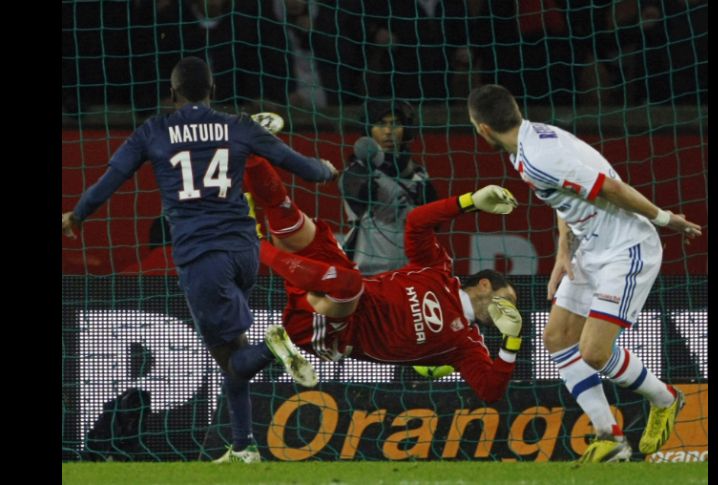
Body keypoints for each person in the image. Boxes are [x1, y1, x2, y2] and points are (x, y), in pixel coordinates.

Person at [61, 57, 339, 463]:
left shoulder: (154, 130)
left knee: (234, 357)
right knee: (231, 351)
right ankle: (244, 448)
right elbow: (303, 168)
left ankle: (274, 344)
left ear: (172, 93)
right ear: (213, 91)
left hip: (200, 254)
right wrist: (326, 170)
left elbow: (111, 179)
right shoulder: (239, 125)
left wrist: (77, 215)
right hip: (246, 250)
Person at [466, 84, 703, 462]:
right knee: (557, 337)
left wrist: (664, 218)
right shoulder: (526, 146)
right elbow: (566, 198)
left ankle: (667, 398)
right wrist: (564, 252)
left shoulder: (540, 155)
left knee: (594, 352)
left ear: (482, 129)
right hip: (590, 248)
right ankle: (609, 437)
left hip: (626, 248)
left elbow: (610, 188)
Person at [245, 155, 524, 402]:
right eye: (507, 300)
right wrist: (470, 201)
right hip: (334, 286)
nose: (510, 310)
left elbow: (490, 391)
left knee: (348, 283)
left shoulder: (466, 346)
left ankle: (252, 244)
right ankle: (243, 149)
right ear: (484, 284)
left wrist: (511, 340)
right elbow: (417, 221)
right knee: (286, 216)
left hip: (334, 330)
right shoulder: (437, 268)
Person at [339, 100, 438, 274]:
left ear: (405, 130)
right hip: (368, 272)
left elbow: (435, 223)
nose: (388, 131)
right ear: (368, 129)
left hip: (410, 273)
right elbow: (361, 192)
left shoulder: (419, 174)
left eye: (396, 124)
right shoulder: (355, 171)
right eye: (380, 124)